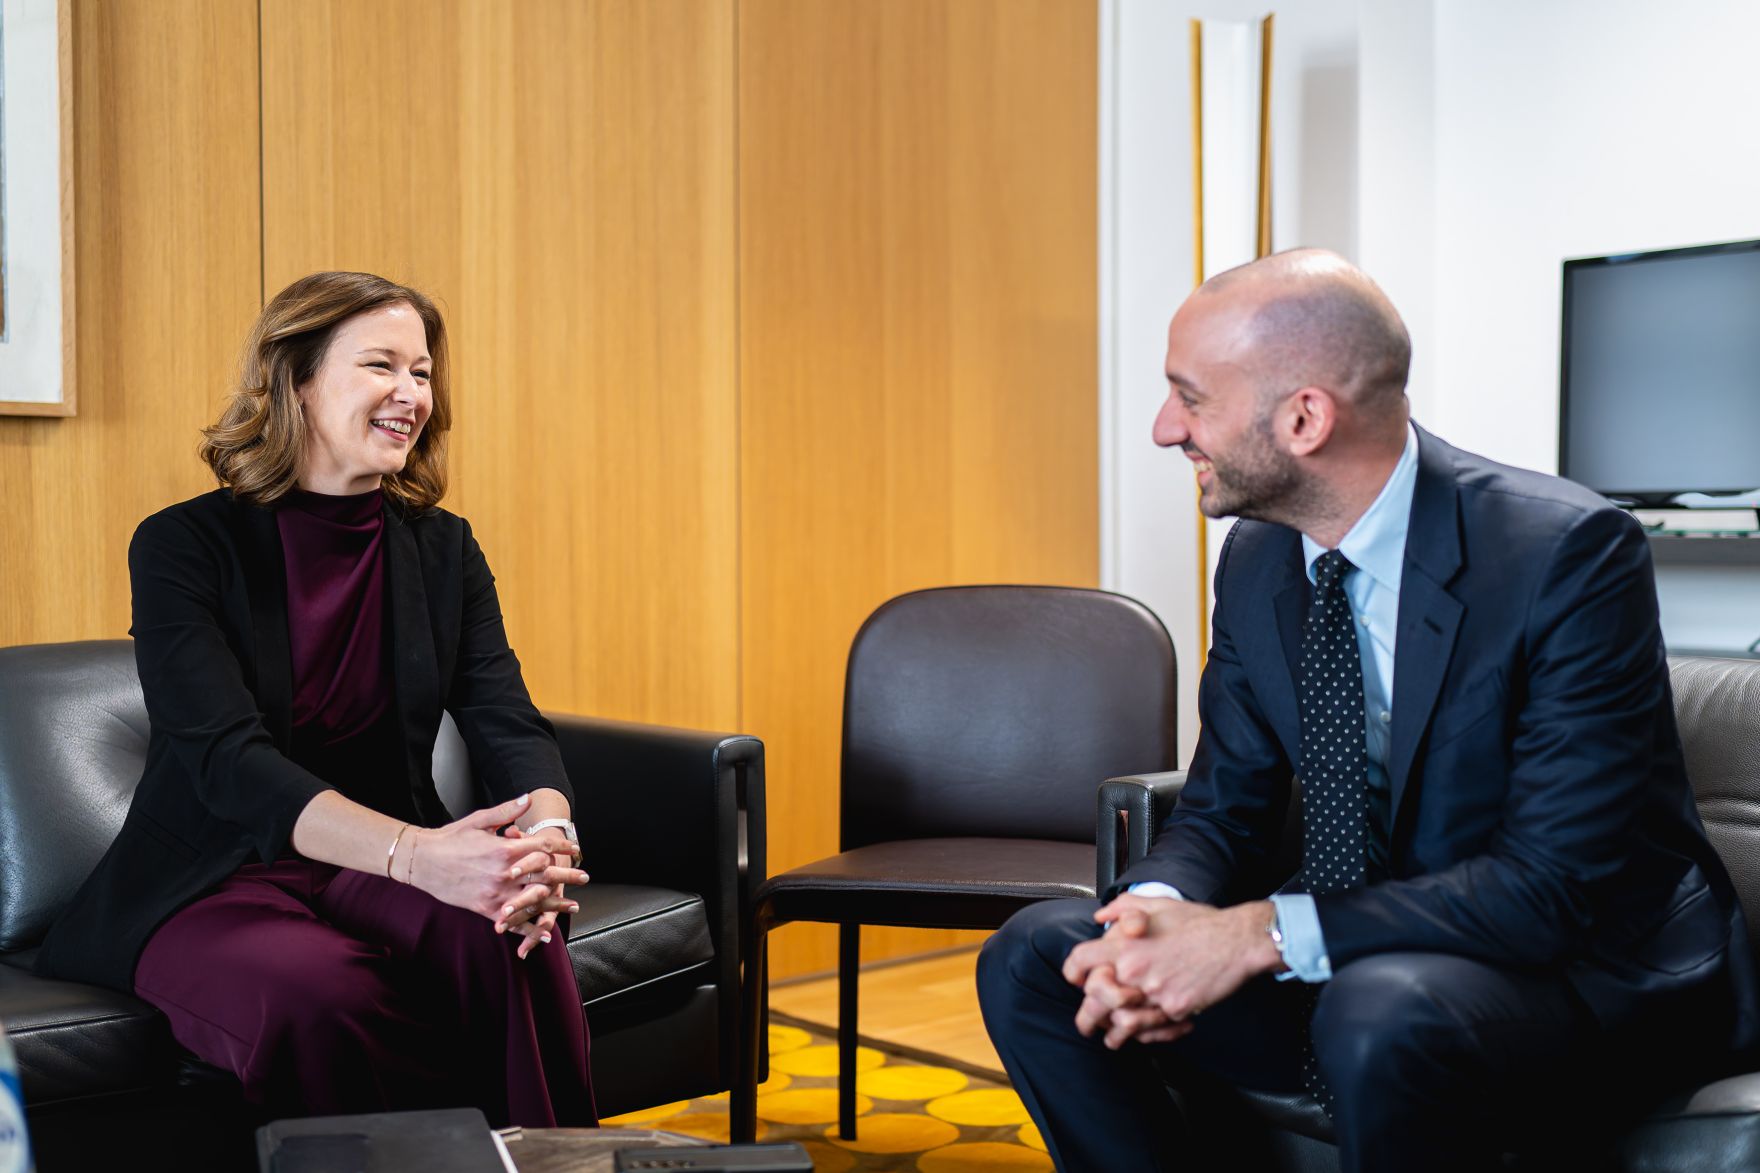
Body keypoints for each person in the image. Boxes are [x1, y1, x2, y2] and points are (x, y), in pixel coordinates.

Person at [977, 249, 1758, 1172]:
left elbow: (1553, 886)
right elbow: (1226, 805)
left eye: (1190, 397)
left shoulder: (1565, 554)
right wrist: (1155, 914)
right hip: (1351, 960)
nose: (1163, 429)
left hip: (1574, 979)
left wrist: (1256, 933)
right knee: (1041, 957)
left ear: (1305, 418)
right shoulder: (1260, 557)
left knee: (1377, 1006)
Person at [36, 271, 598, 1127]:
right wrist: (423, 857)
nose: (412, 393)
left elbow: (503, 716)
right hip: (213, 876)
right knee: (318, 995)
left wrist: (543, 840)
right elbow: (227, 760)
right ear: (295, 379)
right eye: (382, 365)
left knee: (514, 934)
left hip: (378, 855)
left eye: (422, 371)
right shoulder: (182, 544)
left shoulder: (444, 549)